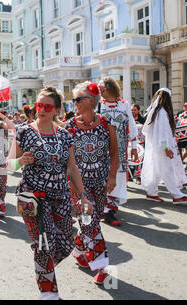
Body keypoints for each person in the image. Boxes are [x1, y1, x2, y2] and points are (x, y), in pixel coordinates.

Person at [7, 86, 93, 300]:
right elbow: (8, 164)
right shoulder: (24, 131)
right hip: (33, 199)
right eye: (39, 105)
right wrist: (20, 161)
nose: (42, 109)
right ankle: (48, 293)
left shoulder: (64, 135)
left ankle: (42, 260)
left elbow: (72, 168)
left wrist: (83, 196)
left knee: (65, 243)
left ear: (56, 109)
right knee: (44, 245)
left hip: (61, 198)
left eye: (47, 106)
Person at [65, 82, 119, 284]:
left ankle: (79, 250)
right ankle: (102, 266)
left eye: (79, 99)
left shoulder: (107, 124)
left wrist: (112, 176)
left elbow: (114, 153)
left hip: (100, 183)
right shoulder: (69, 127)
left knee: (90, 222)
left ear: (91, 100)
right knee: (90, 223)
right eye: (74, 100)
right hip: (79, 187)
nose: (75, 103)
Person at [97, 77, 138, 226]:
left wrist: (134, 146)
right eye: (99, 89)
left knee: (118, 178)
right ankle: (106, 209)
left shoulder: (124, 104)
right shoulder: (99, 106)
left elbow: (131, 125)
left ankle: (110, 210)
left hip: (120, 149)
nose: (100, 92)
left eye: (103, 89)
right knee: (103, 178)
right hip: (102, 151)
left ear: (111, 88)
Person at [141, 89, 187, 204]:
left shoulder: (157, 111)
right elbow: (162, 133)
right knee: (168, 170)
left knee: (157, 170)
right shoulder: (162, 113)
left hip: (158, 147)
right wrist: (166, 148)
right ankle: (177, 195)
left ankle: (151, 193)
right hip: (162, 147)